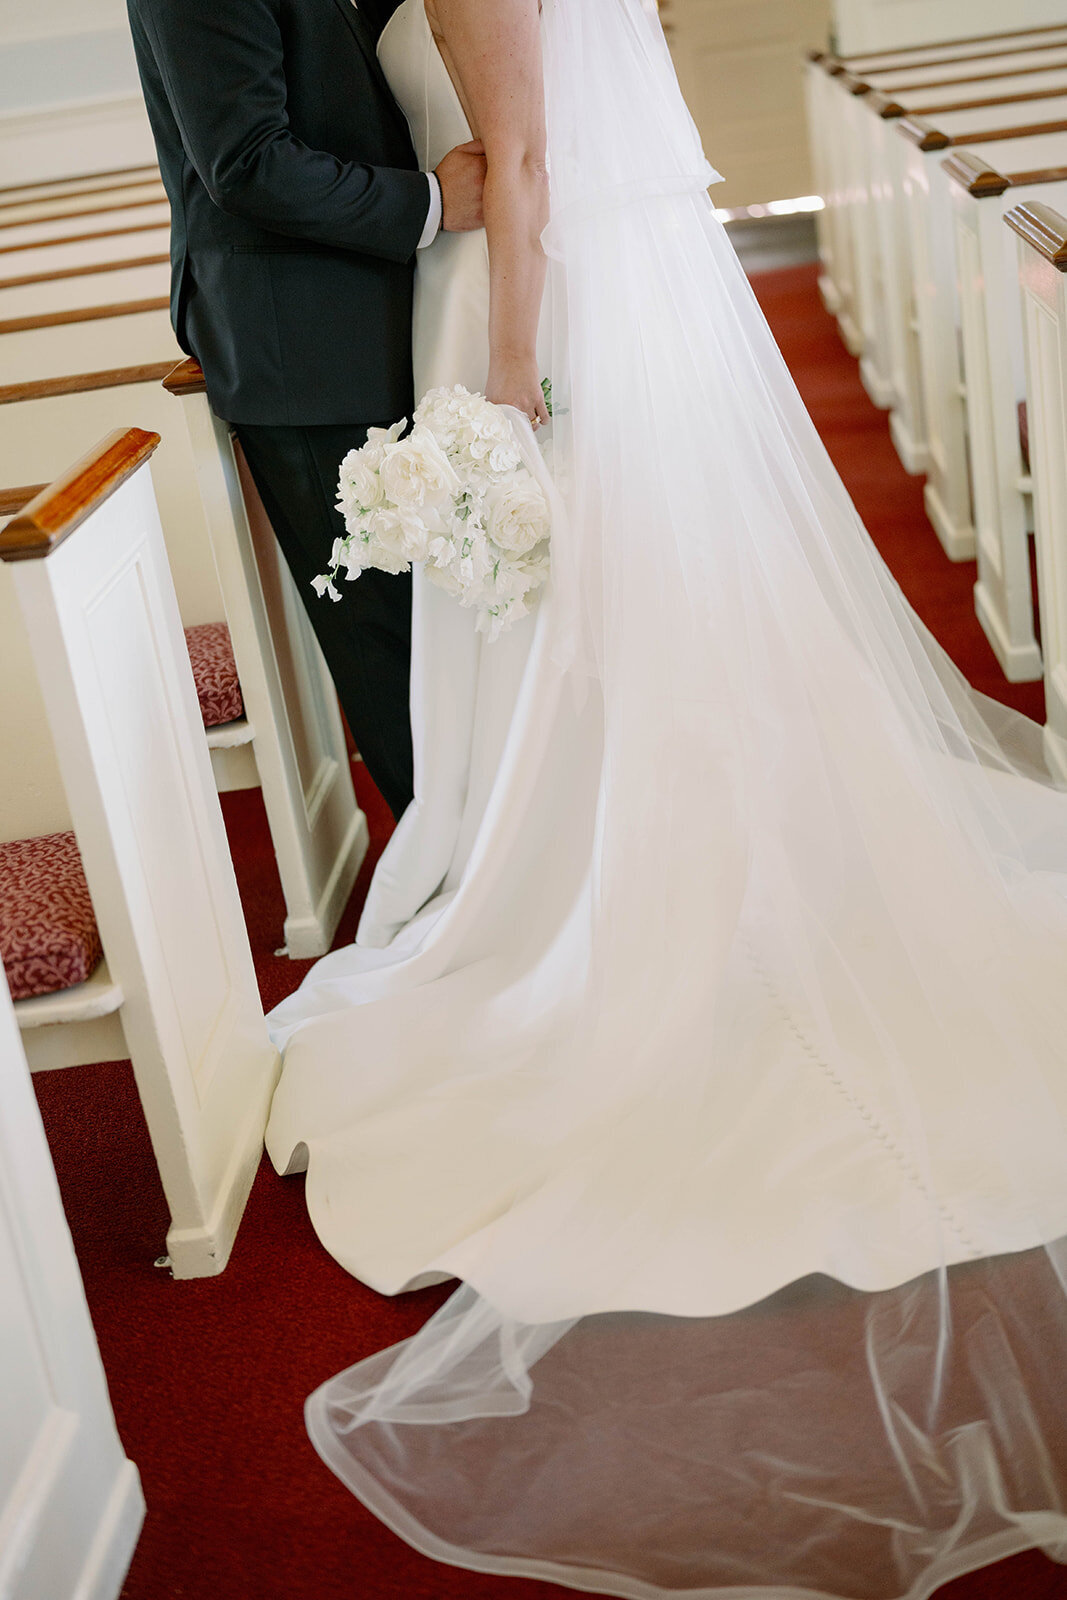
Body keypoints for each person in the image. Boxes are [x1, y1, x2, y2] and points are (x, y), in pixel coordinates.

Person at [260, 0, 1067, 1594]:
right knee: (632, 659)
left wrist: (502, 401)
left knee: (601, 661)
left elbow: (534, 162)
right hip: (564, 301)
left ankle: (662, 914)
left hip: (532, 320)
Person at [126, 0, 487, 819]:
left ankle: (486, 852)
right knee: (385, 642)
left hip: (371, 315)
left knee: (442, 623)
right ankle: (446, 881)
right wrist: (430, 202)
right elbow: (248, 162)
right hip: (300, 340)